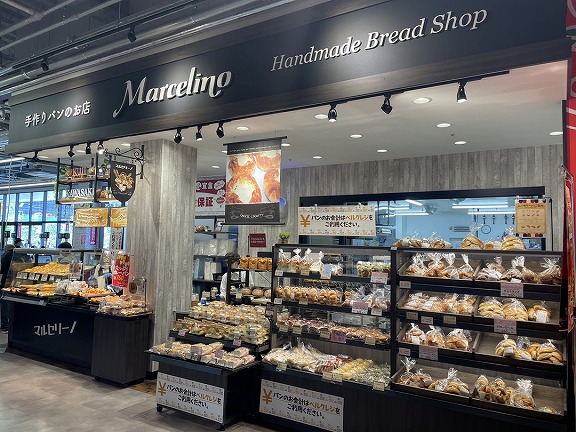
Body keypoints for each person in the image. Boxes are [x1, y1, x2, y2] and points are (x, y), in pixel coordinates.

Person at [0, 244, 15, 332]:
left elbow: (1, 269)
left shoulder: (5, 256)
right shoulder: (20, 255)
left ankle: (5, 326)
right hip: (16, 281)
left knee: (5, 302)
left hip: (6, 282)